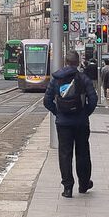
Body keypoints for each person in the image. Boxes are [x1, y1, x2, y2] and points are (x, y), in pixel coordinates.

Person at [43, 50, 97, 198]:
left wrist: (58, 112)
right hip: (81, 122)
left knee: (65, 155)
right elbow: (93, 99)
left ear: (65, 62)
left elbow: (47, 101)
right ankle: (84, 184)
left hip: (63, 123)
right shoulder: (83, 78)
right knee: (83, 153)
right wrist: (85, 113)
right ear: (78, 62)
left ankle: (67, 187)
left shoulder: (56, 79)